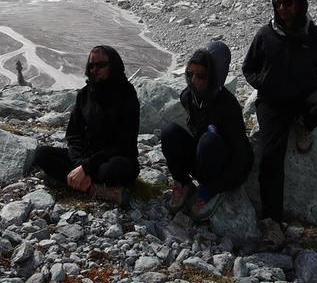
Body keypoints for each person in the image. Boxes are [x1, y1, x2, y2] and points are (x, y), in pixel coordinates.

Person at [242, 0, 317, 244]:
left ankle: (303, 124)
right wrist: (263, 83)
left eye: (288, 3)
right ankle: (272, 220)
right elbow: (248, 67)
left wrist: (305, 85)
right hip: (272, 102)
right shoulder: (266, 35)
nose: (283, 8)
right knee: (271, 155)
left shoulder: (316, 37)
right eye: (278, 4)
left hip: (302, 99)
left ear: (300, 4)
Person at [30, 45, 140, 206]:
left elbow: (124, 144)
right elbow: (74, 134)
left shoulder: (127, 94)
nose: (95, 69)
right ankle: (93, 189)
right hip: (86, 156)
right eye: (91, 65)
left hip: (115, 157)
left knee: (111, 170)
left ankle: (76, 181)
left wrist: (86, 168)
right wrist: (79, 163)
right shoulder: (84, 94)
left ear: (113, 66)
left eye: (100, 65)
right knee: (41, 154)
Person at [159, 39, 253, 221]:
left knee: (209, 140)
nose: (193, 80)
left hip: (221, 166)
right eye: (190, 74)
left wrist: (218, 185)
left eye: (200, 76)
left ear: (214, 76)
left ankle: (208, 191)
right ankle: (183, 183)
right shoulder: (189, 96)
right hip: (202, 156)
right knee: (169, 131)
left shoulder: (228, 106)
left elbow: (243, 158)